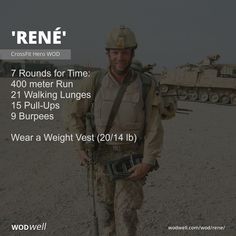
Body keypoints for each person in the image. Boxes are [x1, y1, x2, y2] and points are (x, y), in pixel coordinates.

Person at [67, 26, 164, 236]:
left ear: (132, 54)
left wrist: (147, 161)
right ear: (108, 54)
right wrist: (79, 146)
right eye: (115, 52)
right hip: (101, 158)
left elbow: (154, 125)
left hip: (132, 158)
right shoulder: (94, 81)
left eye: (125, 52)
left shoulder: (146, 84)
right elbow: (74, 115)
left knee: (127, 214)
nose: (120, 57)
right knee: (106, 216)